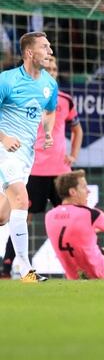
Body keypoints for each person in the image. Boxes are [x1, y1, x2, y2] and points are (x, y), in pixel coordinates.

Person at [1, 57, 81, 278]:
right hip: (34, 169)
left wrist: (73, 155)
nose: (52, 72)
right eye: (49, 68)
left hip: (60, 173)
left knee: (74, 218)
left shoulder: (64, 99)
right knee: (19, 215)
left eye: (55, 68)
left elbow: (77, 129)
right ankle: (7, 265)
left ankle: (81, 267)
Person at [0, 32, 57, 282]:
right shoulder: (7, 80)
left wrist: (47, 132)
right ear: (29, 52)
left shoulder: (49, 84)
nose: (50, 51)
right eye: (45, 47)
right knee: (22, 200)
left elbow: (50, 111)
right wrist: (4, 138)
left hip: (25, 155)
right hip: (4, 150)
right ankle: (25, 269)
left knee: (3, 216)